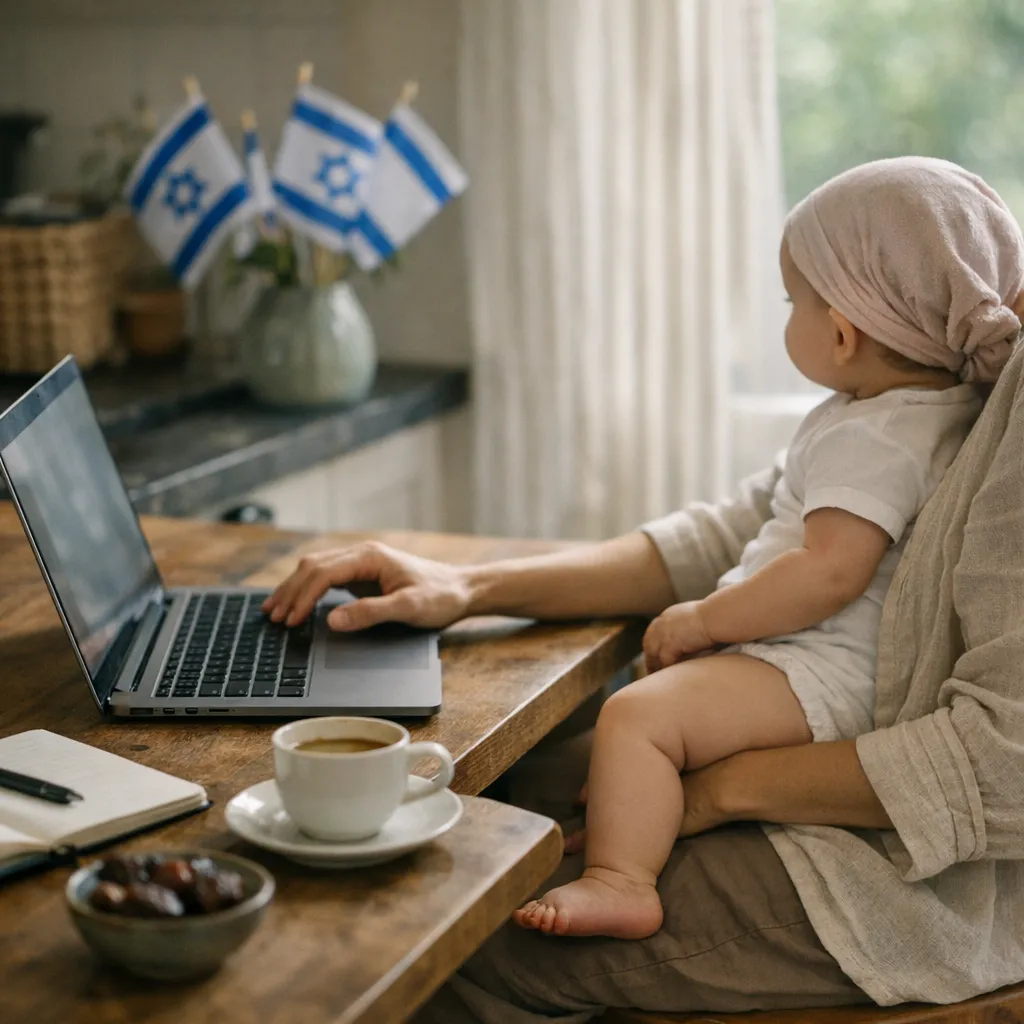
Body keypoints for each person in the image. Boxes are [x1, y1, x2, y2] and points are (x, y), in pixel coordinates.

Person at [264, 158, 1024, 1021]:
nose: (786, 320)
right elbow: (734, 529)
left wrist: (710, 685)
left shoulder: (875, 435)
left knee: (455, 908)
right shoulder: (922, 403)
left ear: (844, 333)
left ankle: (622, 881)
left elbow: (835, 576)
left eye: (791, 304)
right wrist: (468, 586)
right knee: (515, 797)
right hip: (824, 692)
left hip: (923, 862)